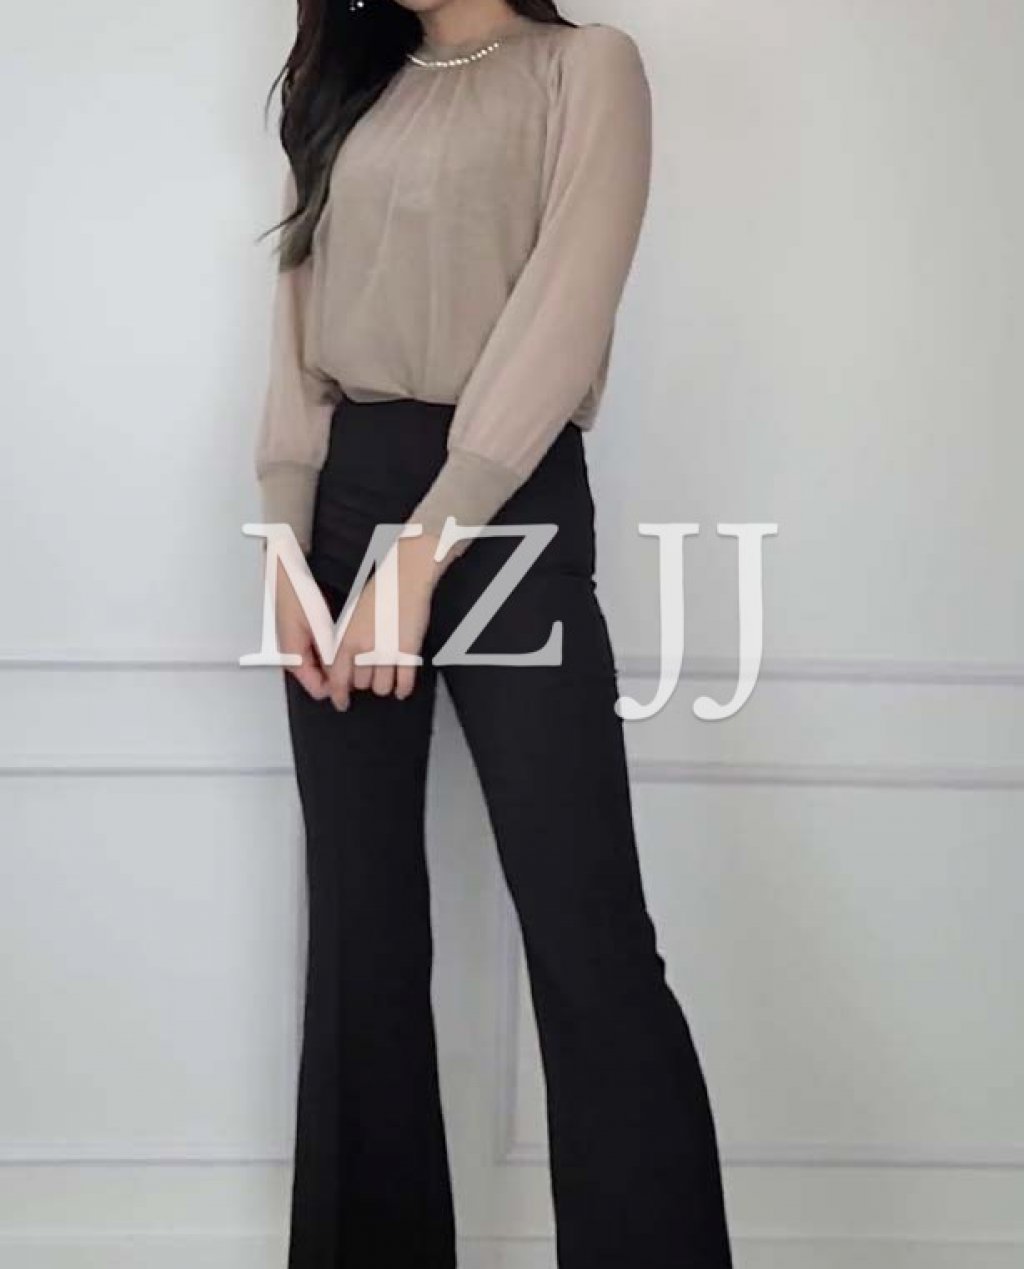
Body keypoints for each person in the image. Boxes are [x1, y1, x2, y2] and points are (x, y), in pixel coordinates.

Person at [254, 1, 734, 1264]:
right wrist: (284, 539)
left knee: (585, 927)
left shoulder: (585, 68)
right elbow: (295, 325)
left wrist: (424, 549)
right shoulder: (351, 84)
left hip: (504, 497)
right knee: (357, 929)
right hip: (339, 505)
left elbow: (563, 312)